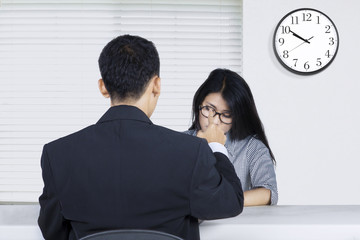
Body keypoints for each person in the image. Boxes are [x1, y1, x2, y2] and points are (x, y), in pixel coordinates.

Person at [38, 35, 243, 240]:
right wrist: (216, 145)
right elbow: (231, 201)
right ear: (156, 85)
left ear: (103, 87)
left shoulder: (57, 154)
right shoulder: (191, 152)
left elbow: (52, 231)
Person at [186, 68, 278, 206]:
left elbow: (268, 193)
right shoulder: (179, 141)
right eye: (208, 109)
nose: (214, 121)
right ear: (198, 104)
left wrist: (221, 201)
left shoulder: (251, 147)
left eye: (226, 115)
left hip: (233, 226)